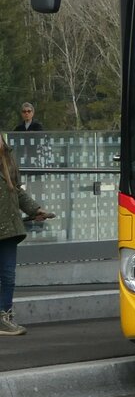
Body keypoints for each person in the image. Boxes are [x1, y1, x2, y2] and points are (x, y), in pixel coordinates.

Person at [0, 134, 54, 336]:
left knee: (8, 276)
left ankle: (4, 317)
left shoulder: (8, 158)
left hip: (9, 229)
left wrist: (35, 210)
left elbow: (16, 191)